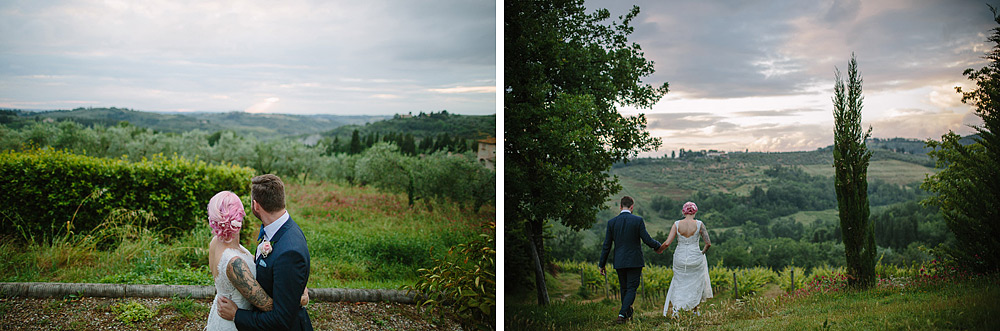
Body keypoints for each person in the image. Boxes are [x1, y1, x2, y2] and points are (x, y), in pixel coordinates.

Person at [217, 174, 313, 330]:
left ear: (256, 205)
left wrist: (236, 315)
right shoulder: (276, 228)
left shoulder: (289, 252)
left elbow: (282, 320)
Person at [599, 196, 663, 324]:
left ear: (620, 206)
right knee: (632, 288)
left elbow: (607, 245)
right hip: (634, 260)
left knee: (624, 288)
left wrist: (602, 264)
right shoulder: (637, 220)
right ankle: (622, 314)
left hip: (619, 260)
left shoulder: (612, 222)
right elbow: (646, 239)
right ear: (632, 207)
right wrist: (658, 246)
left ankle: (626, 314)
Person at [656, 201, 713, 317]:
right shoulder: (699, 224)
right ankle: (695, 310)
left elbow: (667, 243)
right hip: (695, 257)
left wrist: (659, 250)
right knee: (695, 283)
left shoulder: (677, 224)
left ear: (683, 211)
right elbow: (708, 243)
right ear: (695, 211)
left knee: (679, 282)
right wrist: (701, 253)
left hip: (680, 257)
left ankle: (676, 310)